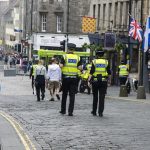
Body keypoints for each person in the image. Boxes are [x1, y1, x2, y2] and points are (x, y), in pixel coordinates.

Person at [59, 44, 82, 116]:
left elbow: (61, 66)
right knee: (72, 95)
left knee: (64, 94)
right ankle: (70, 112)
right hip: (74, 79)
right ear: (74, 50)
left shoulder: (64, 56)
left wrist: (60, 64)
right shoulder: (78, 57)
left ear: (68, 49)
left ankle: (63, 110)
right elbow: (80, 68)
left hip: (66, 78)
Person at [88, 50, 111, 117]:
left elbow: (91, 72)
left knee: (95, 97)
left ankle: (94, 111)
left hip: (95, 81)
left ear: (97, 55)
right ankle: (100, 112)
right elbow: (109, 72)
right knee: (102, 97)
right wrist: (109, 81)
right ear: (103, 55)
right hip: (103, 81)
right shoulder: (106, 62)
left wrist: (89, 80)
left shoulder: (94, 61)